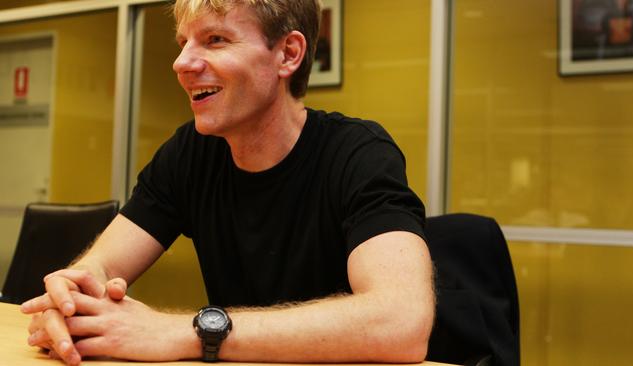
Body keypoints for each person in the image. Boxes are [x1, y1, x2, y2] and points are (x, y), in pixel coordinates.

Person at [20, 0, 435, 365]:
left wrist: (181, 332)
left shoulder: (358, 153)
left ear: (287, 54)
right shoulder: (190, 153)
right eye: (183, 42)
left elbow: (401, 320)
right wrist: (70, 297)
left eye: (215, 39)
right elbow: (100, 267)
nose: (182, 63)